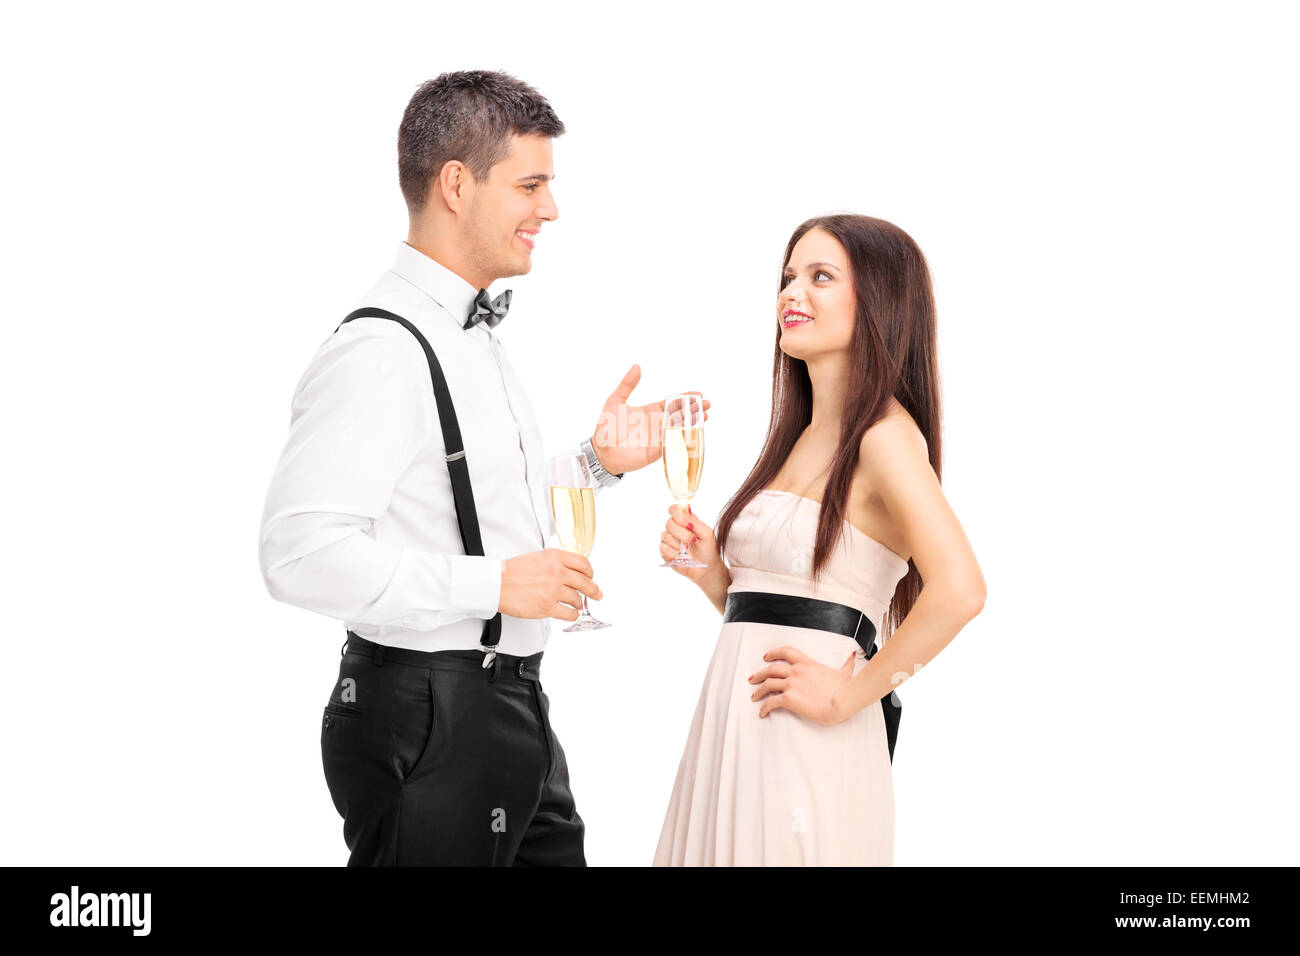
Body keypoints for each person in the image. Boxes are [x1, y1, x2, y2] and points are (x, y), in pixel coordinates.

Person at [258, 70, 707, 866]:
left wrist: (597, 464)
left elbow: (472, 494)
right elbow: (297, 556)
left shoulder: (471, 334)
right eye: (531, 184)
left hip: (509, 701)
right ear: (457, 184)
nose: (551, 209)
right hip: (427, 712)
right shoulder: (380, 350)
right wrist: (494, 586)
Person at [652, 214, 985, 866]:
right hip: (735, 728)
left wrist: (847, 694)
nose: (791, 293)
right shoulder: (800, 435)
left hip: (807, 739)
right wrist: (713, 574)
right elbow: (784, 604)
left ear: (879, 302)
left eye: (820, 276)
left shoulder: (885, 437)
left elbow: (962, 590)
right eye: (788, 277)